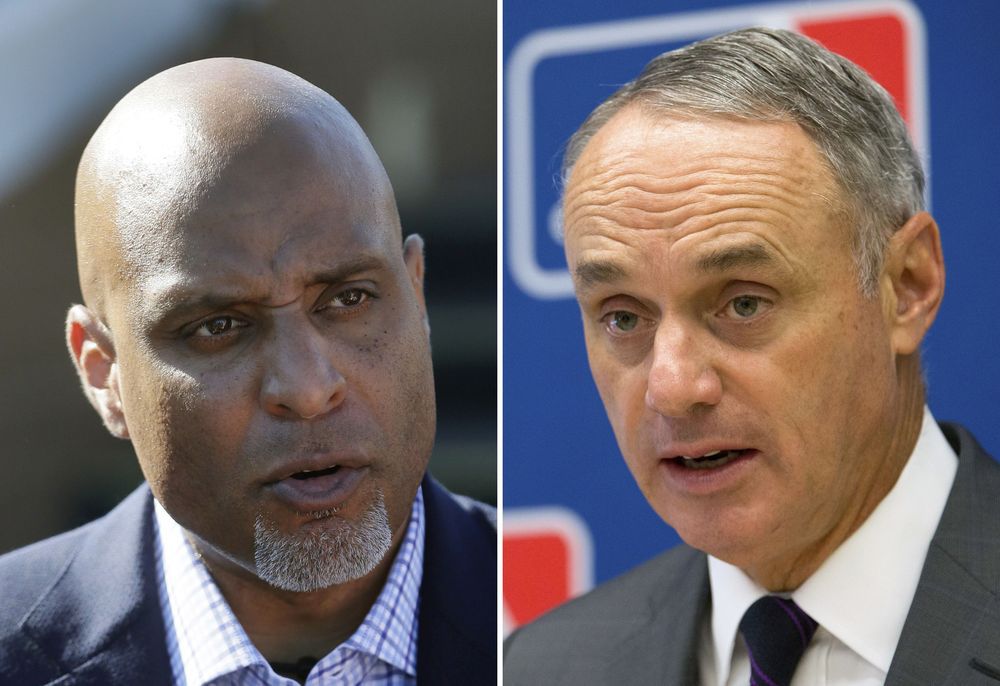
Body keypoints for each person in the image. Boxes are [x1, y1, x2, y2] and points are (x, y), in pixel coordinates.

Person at [504, 27, 1000, 685]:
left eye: (743, 304)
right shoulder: (543, 667)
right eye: (623, 317)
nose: (672, 386)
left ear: (906, 285)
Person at [0, 58, 495, 685]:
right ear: (105, 375)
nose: (309, 389)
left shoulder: (589, 635)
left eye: (348, 299)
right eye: (218, 327)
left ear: (416, 296)